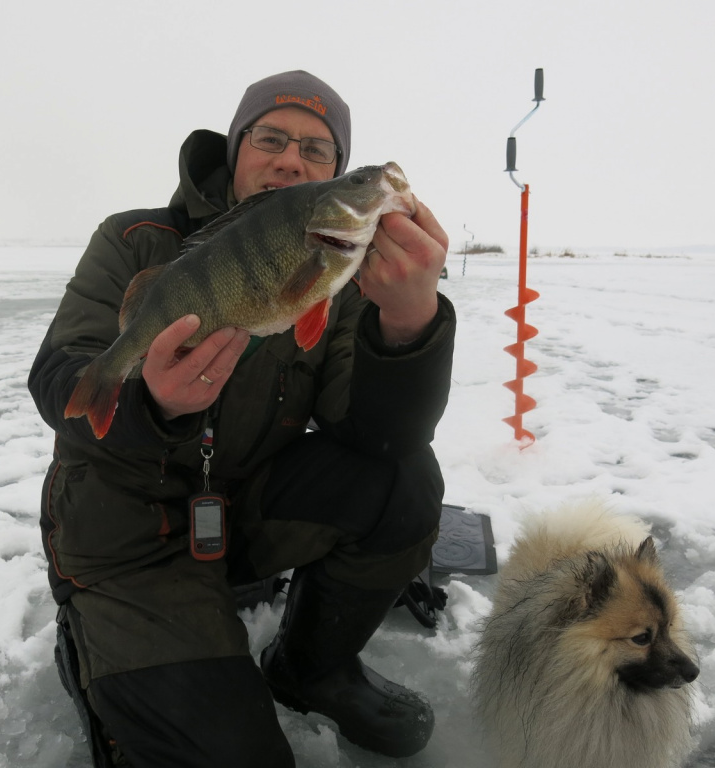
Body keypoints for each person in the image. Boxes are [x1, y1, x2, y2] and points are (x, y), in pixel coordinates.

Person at [29, 69, 455, 766]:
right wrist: (151, 401)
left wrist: (410, 323)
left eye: (319, 152)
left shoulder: (342, 278)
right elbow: (57, 378)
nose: (292, 159)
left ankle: (310, 666)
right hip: (129, 541)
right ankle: (100, 642)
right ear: (236, 149)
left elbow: (378, 435)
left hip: (240, 513)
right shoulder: (133, 240)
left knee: (403, 478)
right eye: (272, 138)